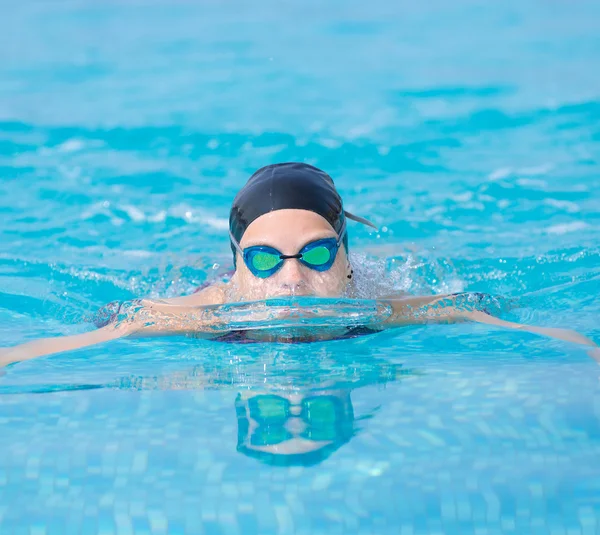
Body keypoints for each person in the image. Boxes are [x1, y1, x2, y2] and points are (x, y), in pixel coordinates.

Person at [0, 162, 598, 368]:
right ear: (236, 268)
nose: (290, 278)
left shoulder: (384, 306)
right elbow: (98, 335)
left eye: (316, 253)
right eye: (262, 259)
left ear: (345, 259)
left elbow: (479, 315)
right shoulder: (197, 314)